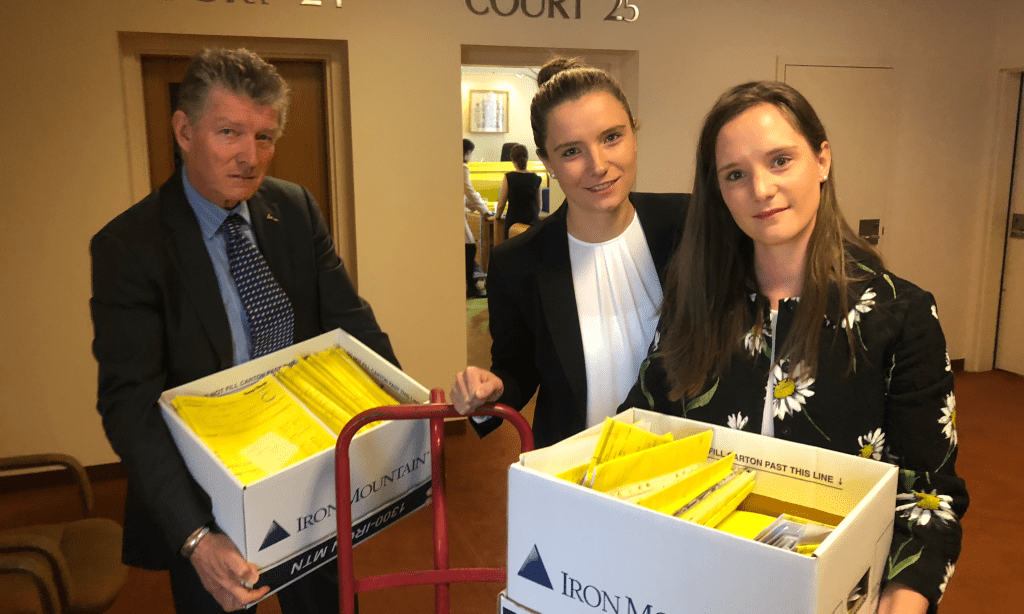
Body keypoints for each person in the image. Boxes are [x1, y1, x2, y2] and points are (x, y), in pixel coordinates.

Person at [620, 81, 967, 614]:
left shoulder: (899, 317)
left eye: (780, 160)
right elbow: (638, 427)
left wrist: (902, 600)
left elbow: (930, 496)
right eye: (735, 174)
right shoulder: (697, 303)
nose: (760, 189)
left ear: (822, 160)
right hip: (697, 584)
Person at [90, 48, 397, 613]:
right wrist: (195, 539)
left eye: (264, 136)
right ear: (184, 130)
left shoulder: (295, 208)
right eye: (229, 132)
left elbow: (351, 325)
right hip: (206, 500)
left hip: (303, 471)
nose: (250, 157)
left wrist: (408, 410)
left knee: (324, 604)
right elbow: (129, 403)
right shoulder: (130, 247)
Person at [450, 58, 689, 447]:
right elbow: (517, 370)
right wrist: (491, 389)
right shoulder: (518, 262)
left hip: (689, 468)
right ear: (547, 162)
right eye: (571, 151)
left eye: (612, 137)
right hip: (575, 473)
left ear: (634, 133)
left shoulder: (687, 225)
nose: (599, 165)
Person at [494, 143, 542, 239]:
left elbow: (501, 204)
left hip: (513, 222)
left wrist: (497, 216)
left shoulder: (509, 178)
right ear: (527, 158)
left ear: (512, 160)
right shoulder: (536, 178)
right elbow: (539, 205)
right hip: (531, 222)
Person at [463, 138, 492, 298]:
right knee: (470, 248)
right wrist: (485, 211)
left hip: (460, 215)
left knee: (468, 248)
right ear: (468, 153)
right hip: (458, 218)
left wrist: (477, 208)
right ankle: (471, 287)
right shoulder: (463, 168)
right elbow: (469, 191)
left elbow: (466, 198)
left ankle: (470, 285)